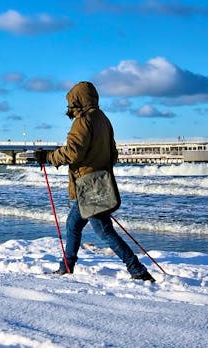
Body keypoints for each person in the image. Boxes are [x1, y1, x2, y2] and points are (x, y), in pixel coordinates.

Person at [36, 81, 155, 282]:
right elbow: (113, 154)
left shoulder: (83, 121)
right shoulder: (103, 119)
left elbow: (73, 153)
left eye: (71, 102)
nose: (69, 108)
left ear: (77, 100)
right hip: (99, 183)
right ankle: (67, 265)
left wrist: (49, 157)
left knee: (103, 231)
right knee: (73, 225)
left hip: (86, 186)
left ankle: (137, 270)